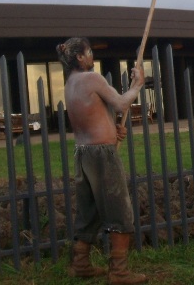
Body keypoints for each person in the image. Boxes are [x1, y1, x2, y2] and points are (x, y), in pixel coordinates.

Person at [57, 37, 148, 284]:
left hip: (83, 152)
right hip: (102, 156)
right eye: (89, 52)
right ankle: (119, 273)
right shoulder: (92, 78)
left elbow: (91, 114)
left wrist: (112, 129)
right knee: (120, 211)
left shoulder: (71, 83)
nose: (92, 56)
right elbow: (121, 103)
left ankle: (80, 264)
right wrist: (138, 85)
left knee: (90, 211)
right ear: (79, 57)